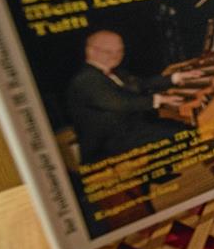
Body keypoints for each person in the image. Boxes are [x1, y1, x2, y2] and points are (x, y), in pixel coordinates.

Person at [65, 30, 200, 166]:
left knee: (181, 126)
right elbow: (118, 102)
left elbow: (142, 84)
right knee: (182, 133)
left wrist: (176, 78)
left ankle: (160, 171)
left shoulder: (114, 72)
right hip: (107, 142)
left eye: (120, 51)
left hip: (126, 129)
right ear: (91, 51)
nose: (116, 56)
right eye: (109, 51)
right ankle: (156, 176)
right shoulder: (86, 78)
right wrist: (158, 99)